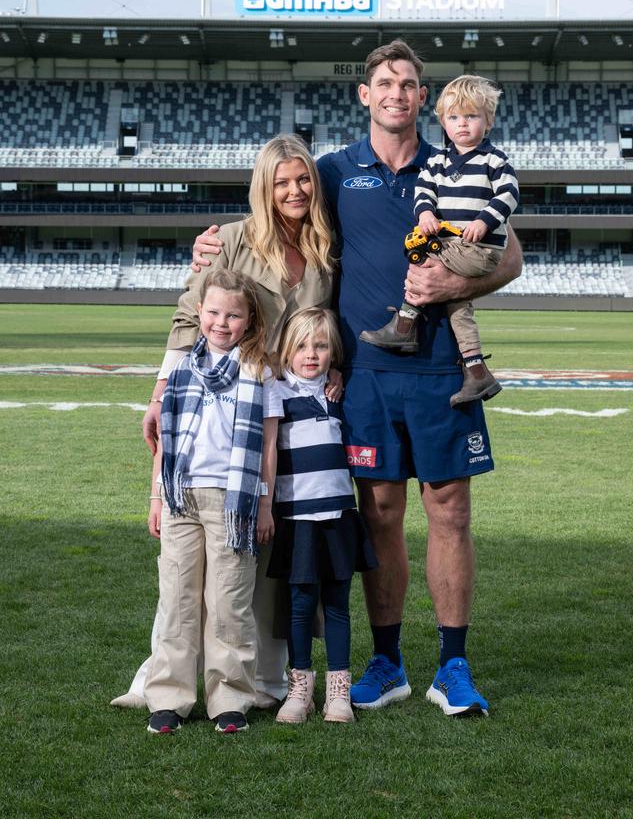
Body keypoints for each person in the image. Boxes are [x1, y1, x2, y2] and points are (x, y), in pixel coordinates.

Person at [190, 40, 523, 718]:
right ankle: (388, 660)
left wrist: (456, 276)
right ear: (365, 95)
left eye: (408, 83)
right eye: (385, 83)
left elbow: (511, 256)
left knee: (451, 513)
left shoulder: (453, 165)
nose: (397, 92)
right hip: (363, 372)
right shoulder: (336, 171)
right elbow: (278, 214)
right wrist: (216, 239)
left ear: (422, 99)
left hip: (439, 371)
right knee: (378, 516)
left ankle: (453, 664)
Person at [111, 134, 337, 712]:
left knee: (274, 550)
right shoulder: (230, 240)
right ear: (263, 186)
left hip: (297, 416)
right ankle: (168, 679)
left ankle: (266, 676)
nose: (294, 190)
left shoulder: (324, 249)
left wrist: (337, 376)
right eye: (281, 181)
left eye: (303, 179)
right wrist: (162, 391)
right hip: (235, 418)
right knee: (213, 561)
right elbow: (192, 314)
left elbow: (326, 324)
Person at [145, 269, 283, 735]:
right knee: (179, 599)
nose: (222, 323)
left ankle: (230, 700)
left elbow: (267, 446)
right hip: (181, 499)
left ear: (249, 321)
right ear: (200, 313)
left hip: (233, 504)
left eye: (233, 315)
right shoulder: (181, 367)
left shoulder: (258, 370)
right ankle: (169, 698)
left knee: (228, 604)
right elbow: (165, 441)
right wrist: (156, 498)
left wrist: (263, 504)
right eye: (213, 313)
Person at [359, 73, 520, 408]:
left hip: (481, 248)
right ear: (444, 122)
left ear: (487, 121)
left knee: (422, 254)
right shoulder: (437, 161)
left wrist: (483, 220)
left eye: (472, 116)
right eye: (454, 117)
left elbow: (508, 195)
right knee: (457, 304)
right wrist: (426, 215)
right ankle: (476, 370)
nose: (463, 125)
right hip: (457, 246)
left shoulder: (494, 160)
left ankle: (405, 324)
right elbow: (424, 192)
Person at [267, 307, 377, 725]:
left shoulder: (339, 395)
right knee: (299, 604)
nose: (310, 354)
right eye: (301, 346)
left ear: (334, 353)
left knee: (337, 605)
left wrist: (341, 378)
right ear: (287, 350)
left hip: (337, 517)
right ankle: (300, 690)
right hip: (296, 520)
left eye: (321, 345)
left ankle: (338, 692)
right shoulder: (276, 393)